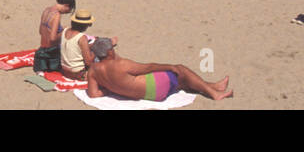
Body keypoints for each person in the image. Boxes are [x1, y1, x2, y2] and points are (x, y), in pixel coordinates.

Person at [86, 38, 232, 101]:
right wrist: (170, 66)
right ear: (110, 52)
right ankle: (214, 93)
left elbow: (93, 94)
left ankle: (213, 86)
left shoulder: (93, 71)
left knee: (181, 81)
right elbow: (148, 67)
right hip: (155, 91)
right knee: (181, 71)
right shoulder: (121, 65)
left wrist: (110, 90)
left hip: (141, 94)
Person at [35, 0, 75, 72]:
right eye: (69, 10)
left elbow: (41, 31)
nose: (67, 12)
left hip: (42, 49)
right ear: (66, 5)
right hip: (52, 52)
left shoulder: (46, 10)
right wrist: (64, 31)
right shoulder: (57, 15)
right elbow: (52, 38)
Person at [60, 9, 98, 80]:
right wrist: (95, 50)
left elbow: (73, 47)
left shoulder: (65, 31)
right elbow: (88, 62)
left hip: (64, 70)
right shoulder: (81, 37)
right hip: (77, 73)